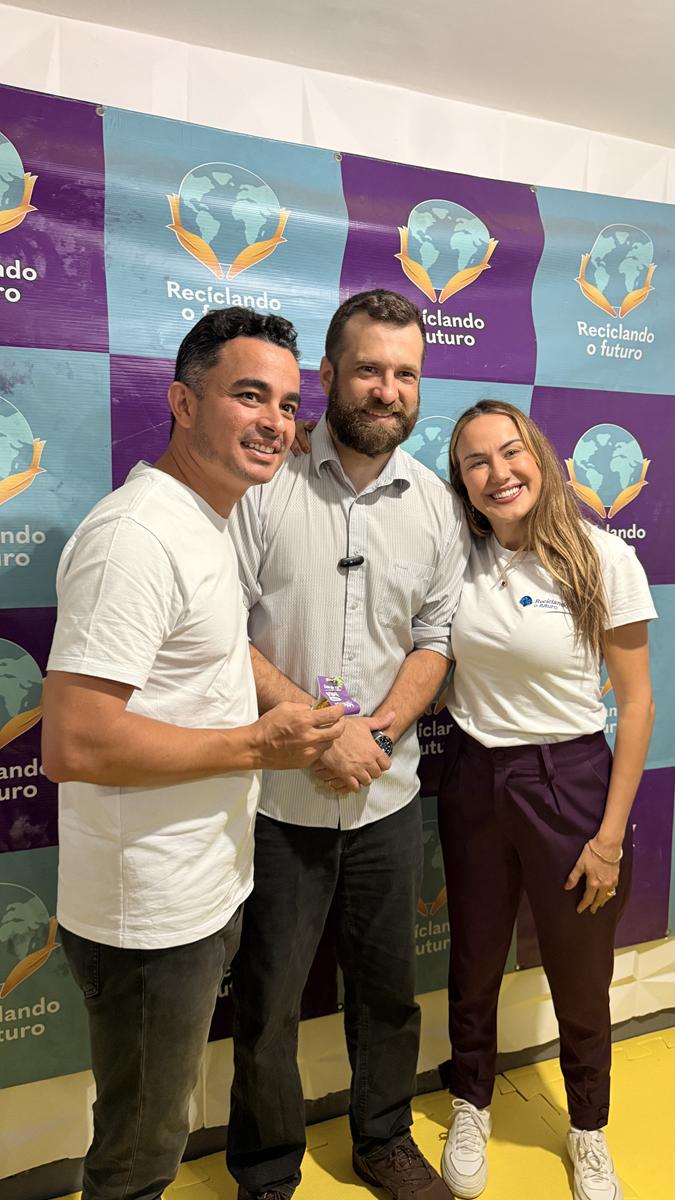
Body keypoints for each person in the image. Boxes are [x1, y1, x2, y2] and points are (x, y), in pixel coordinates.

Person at [41, 308, 346, 1200]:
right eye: (249, 395)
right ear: (182, 403)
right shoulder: (133, 538)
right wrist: (257, 744)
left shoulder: (203, 521)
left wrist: (296, 709)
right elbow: (74, 740)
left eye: (286, 403)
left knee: (156, 1130)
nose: (274, 422)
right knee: (141, 1155)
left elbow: (214, 655)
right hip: (149, 912)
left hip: (204, 885)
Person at [226, 289, 469, 1200]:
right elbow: (221, 630)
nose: (386, 389)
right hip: (277, 801)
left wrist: (377, 733)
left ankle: (383, 1139)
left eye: (404, 373)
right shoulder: (265, 481)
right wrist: (321, 736)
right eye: (368, 369)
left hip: (386, 798)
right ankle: (265, 1169)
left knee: (387, 992)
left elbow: (433, 639)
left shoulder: (436, 506)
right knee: (267, 1004)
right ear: (327, 374)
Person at [437, 400, 655, 1200]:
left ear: (540, 457)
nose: (497, 473)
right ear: (461, 482)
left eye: (509, 452)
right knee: (473, 959)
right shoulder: (454, 560)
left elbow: (637, 703)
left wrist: (608, 838)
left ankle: (587, 1128)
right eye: (475, 462)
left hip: (568, 783)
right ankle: (470, 1103)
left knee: (578, 972)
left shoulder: (601, 558)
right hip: (471, 778)